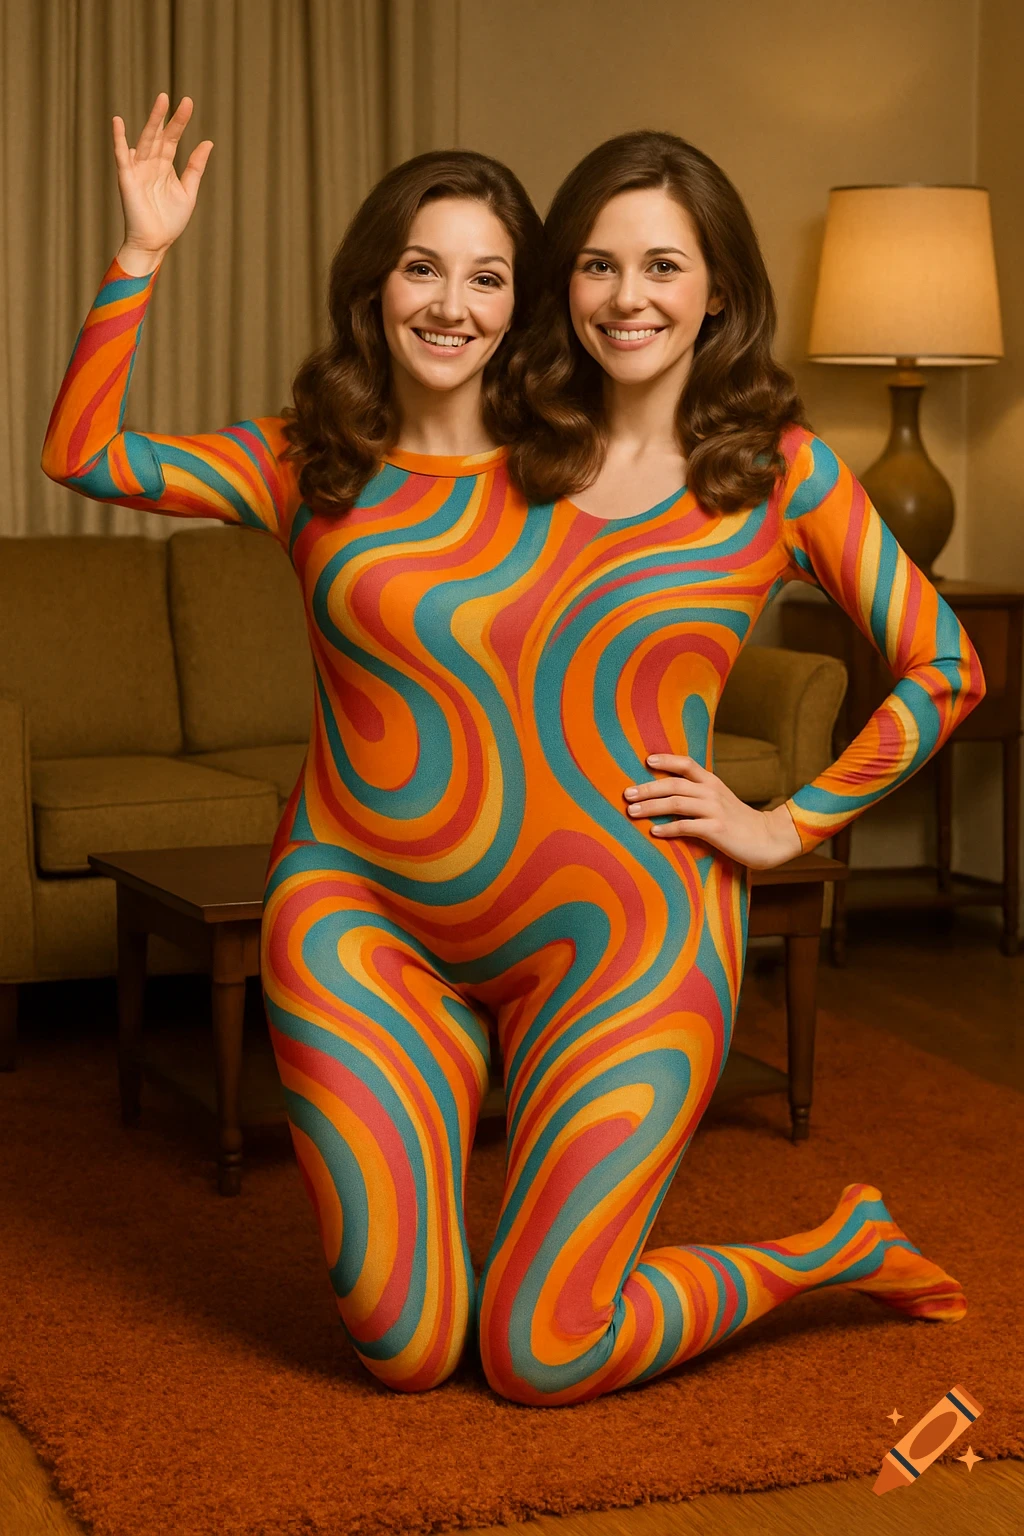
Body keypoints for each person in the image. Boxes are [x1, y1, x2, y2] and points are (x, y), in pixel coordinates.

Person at [43, 102, 982, 1408]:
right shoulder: (376, 457)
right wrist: (141, 255)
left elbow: (945, 663)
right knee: (410, 1350)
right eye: (596, 264)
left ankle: (828, 1247)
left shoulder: (714, 465)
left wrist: (792, 823)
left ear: (719, 292)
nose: (625, 296)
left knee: (543, 1350)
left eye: (491, 275)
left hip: (625, 938)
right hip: (365, 924)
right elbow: (79, 454)